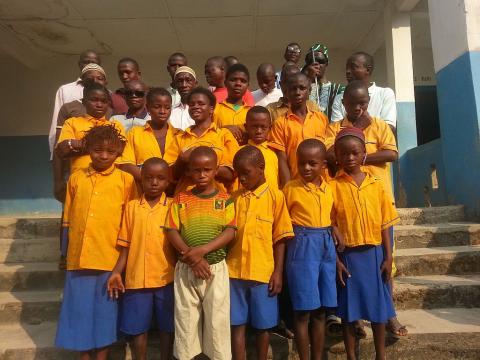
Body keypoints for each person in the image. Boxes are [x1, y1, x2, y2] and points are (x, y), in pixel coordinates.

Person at [325, 80, 405, 338]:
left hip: (377, 201)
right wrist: (356, 144)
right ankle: (356, 318)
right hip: (346, 201)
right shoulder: (334, 127)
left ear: (368, 103)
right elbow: (328, 154)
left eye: (362, 103)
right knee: (352, 268)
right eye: (352, 103)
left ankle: (388, 313)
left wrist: (357, 158)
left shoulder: (380, 126)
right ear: (343, 104)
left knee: (383, 263)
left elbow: (391, 154)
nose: (358, 108)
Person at [55, 124, 135, 359]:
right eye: (98, 150)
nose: (104, 156)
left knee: (104, 314)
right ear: (88, 149)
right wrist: (64, 252)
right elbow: (67, 219)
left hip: (109, 259)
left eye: (110, 152)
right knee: (78, 313)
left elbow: (129, 224)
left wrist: (123, 262)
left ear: (118, 152)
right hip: (78, 259)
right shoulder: (76, 179)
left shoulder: (126, 180)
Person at [332, 127, 399, 360]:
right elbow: (328, 221)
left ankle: (380, 355)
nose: (349, 158)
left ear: (363, 154)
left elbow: (385, 224)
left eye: (354, 153)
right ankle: (352, 355)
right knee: (350, 312)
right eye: (344, 154)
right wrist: (337, 258)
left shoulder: (376, 185)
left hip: (374, 255)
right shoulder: (333, 186)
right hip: (348, 256)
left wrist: (388, 257)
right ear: (336, 156)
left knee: (378, 310)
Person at [165, 146, 236, 360]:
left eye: (207, 169)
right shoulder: (180, 199)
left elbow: (230, 231)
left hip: (215, 268)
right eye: (196, 170)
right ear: (188, 172)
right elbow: (171, 231)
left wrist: (203, 251)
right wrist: (192, 257)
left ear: (216, 171)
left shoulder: (226, 199)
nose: (202, 175)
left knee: (217, 320)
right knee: (186, 319)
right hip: (187, 268)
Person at [228, 146, 294, 360]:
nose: (242, 178)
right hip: (234, 273)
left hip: (263, 274)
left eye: (246, 173)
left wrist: (278, 272)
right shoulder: (234, 198)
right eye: (238, 174)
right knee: (237, 324)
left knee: (262, 326)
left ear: (261, 168)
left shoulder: (276, 197)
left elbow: (280, 238)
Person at [108, 157, 175, 360]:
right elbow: (126, 246)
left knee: (167, 327)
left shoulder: (173, 206)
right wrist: (117, 271)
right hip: (137, 280)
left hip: (167, 278)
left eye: (160, 178)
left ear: (168, 181)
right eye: (149, 178)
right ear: (141, 180)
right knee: (138, 329)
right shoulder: (132, 207)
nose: (154, 183)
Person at [283, 139, 343, 360]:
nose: (306, 168)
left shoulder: (330, 188)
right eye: (302, 163)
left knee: (320, 312)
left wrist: (334, 231)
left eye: (312, 163)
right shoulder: (290, 189)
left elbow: (332, 217)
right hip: (302, 246)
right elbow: (282, 223)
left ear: (323, 165)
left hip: (326, 247)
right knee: (302, 311)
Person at [52, 63, 112, 203]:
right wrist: (58, 180)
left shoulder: (109, 111)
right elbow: (61, 149)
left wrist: (77, 144)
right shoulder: (70, 113)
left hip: (107, 177)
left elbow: (116, 147)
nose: (99, 104)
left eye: (99, 78)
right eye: (90, 78)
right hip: (78, 176)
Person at [166, 87, 239, 194]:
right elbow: (170, 175)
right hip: (185, 199)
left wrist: (200, 165)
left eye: (201, 104)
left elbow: (231, 174)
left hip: (217, 200)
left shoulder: (223, 135)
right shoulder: (180, 138)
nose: (195, 107)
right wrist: (181, 160)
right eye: (192, 104)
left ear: (211, 109)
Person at [270, 73, 329, 187]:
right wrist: (287, 188)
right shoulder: (280, 123)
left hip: (322, 185)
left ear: (309, 91)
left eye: (302, 88)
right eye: (293, 89)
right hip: (296, 185)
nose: (298, 92)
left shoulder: (321, 118)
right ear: (286, 93)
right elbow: (282, 159)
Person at [56, 83, 126, 176]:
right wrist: (106, 147)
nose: (99, 105)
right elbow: (63, 150)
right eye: (94, 100)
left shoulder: (115, 125)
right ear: (84, 102)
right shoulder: (72, 123)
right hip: (81, 179)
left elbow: (119, 149)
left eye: (104, 101)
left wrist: (76, 144)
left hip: (111, 179)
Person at [118, 88, 179, 182]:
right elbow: (126, 164)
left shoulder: (179, 135)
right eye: (157, 107)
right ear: (148, 108)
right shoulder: (135, 133)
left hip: (174, 191)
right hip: (142, 191)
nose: (162, 111)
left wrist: (167, 183)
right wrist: (151, 183)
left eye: (167, 107)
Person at [48, 49, 100, 157]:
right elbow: (56, 126)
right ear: (80, 64)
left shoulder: (107, 94)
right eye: (86, 62)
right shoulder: (65, 90)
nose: (90, 65)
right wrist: (55, 155)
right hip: (70, 153)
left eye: (94, 62)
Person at [331, 52, 397, 131]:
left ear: (368, 70)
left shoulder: (385, 94)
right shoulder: (340, 98)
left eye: (353, 67)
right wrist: (359, 127)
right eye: (347, 68)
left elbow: (389, 128)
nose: (348, 71)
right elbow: (336, 133)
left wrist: (354, 131)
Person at [303, 43, 345, 121]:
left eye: (320, 61)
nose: (316, 64)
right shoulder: (301, 90)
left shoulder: (339, 89)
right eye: (311, 61)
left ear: (327, 63)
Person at [213, 63, 252, 144]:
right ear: (225, 83)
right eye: (233, 80)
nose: (238, 84)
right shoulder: (215, 109)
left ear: (248, 85)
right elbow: (207, 133)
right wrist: (223, 129)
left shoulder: (251, 112)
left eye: (243, 81)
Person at [243, 106, 279, 189]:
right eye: (254, 127)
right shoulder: (240, 151)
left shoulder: (275, 151)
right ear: (246, 127)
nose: (259, 131)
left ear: (270, 128)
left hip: (271, 199)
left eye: (263, 127)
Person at [169, 66, 198, 130]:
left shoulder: (201, 110)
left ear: (195, 84)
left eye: (188, 80)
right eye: (180, 81)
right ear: (175, 84)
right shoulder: (170, 111)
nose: (184, 85)